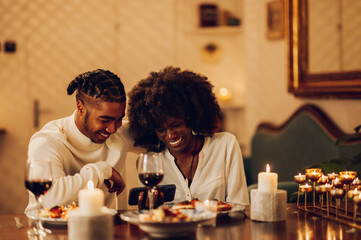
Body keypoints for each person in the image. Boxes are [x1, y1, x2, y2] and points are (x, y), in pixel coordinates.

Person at [127, 66, 249, 208]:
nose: (170, 135)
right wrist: (148, 209)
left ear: (191, 118)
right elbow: (152, 218)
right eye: (161, 130)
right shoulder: (151, 163)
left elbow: (239, 206)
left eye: (176, 125)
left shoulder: (225, 145)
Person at [25, 69, 136, 213]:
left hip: (101, 229)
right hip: (46, 231)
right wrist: (102, 170)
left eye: (119, 119)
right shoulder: (47, 141)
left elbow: (166, 137)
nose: (113, 129)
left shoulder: (120, 134)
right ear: (80, 107)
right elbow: (52, 198)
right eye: (104, 120)